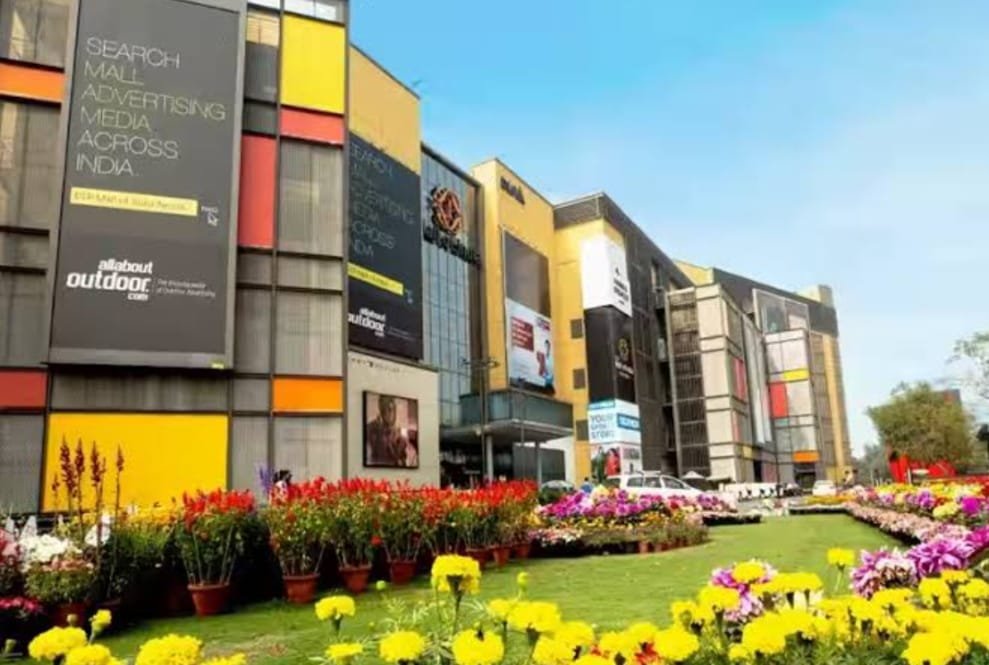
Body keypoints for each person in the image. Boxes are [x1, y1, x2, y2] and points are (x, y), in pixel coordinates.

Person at [366, 395, 418, 467]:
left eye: (393, 409)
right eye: (388, 409)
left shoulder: (398, 434)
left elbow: (402, 461)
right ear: (382, 410)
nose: (391, 414)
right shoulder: (371, 428)